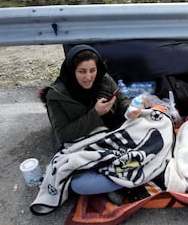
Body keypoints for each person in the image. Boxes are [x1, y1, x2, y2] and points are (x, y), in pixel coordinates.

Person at [39, 44, 131, 202]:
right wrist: (95, 114)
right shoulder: (57, 96)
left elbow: (122, 100)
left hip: (112, 135)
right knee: (79, 184)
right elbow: (63, 134)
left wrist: (131, 110)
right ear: (71, 71)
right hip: (81, 145)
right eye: (82, 71)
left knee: (152, 127)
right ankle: (126, 179)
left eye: (92, 70)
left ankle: (116, 180)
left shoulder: (104, 78)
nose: (88, 77)